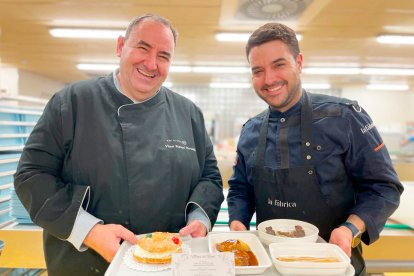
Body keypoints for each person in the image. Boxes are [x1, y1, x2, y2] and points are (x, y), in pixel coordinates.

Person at [14, 14, 224, 275]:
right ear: (120, 46)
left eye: (164, 56)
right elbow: (31, 175)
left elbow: (210, 176)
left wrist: (199, 218)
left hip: (169, 264)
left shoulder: (189, 113)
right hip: (86, 264)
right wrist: (88, 231)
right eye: (143, 48)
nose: (151, 63)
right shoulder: (72, 102)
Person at [227, 22, 403, 276]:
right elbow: (241, 189)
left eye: (279, 65)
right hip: (270, 266)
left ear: (298, 63)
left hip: (333, 264)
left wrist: (349, 229)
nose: (269, 79)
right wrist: (238, 225)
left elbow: (384, 188)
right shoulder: (250, 131)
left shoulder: (345, 117)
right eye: (258, 70)